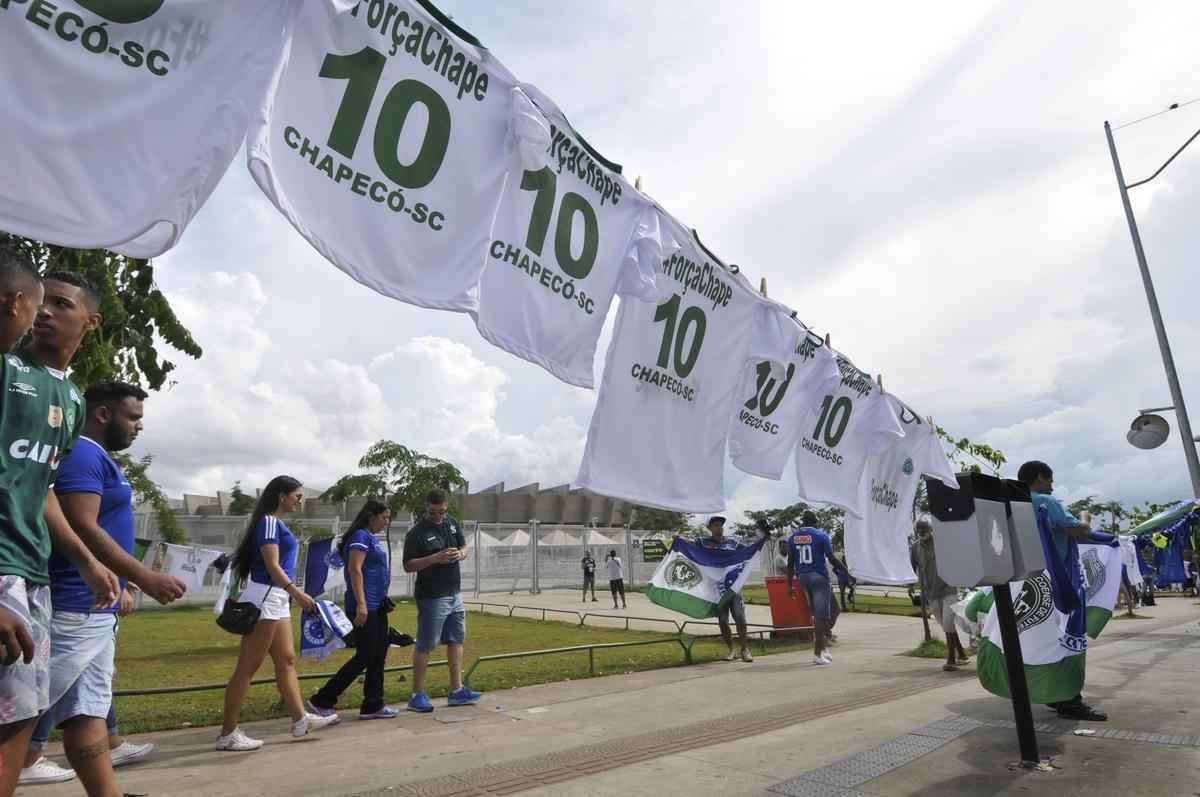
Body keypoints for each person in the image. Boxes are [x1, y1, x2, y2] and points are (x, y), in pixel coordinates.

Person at [19, 381, 186, 793]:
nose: (139, 427)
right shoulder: (80, 454)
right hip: (73, 605)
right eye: (133, 417)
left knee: (86, 713)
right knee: (19, 716)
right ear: (103, 414)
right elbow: (80, 525)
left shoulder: (97, 459)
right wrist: (146, 577)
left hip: (97, 609)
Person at [0, 267, 122, 797]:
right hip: (3, 574)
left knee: (19, 719)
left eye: (61, 303)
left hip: (34, 577)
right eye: (40, 300)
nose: (45, 310)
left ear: (90, 322)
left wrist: (87, 562)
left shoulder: (69, 399)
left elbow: (41, 489)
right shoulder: (7, 370)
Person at [217, 476, 338, 751]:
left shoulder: (276, 523)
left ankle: (299, 720)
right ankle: (227, 734)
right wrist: (297, 592)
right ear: (282, 496)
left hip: (277, 597)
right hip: (267, 597)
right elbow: (272, 565)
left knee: (286, 659)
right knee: (247, 668)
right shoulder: (269, 522)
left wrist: (289, 594)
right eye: (297, 496)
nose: (300, 500)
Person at [1017, 460, 1107, 721]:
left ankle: (1053, 694)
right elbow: (1079, 532)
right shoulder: (1046, 501)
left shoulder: (1014, 505)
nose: (1052, 486)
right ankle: (1069, 700)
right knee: (1067, 639)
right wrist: (1085, 518)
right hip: (1057, 581)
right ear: (1039, 478)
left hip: (1027, 583)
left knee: (1041, 640)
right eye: (1050, 479)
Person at [307, 500, 398, 720]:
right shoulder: (360, 536)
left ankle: (373, 704)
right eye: (384, 517)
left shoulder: (370, 538)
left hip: (378, 605)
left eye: (389, 518)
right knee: (365, 656)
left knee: (378, 655)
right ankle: (322, 699)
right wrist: (361, 604)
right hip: (365, 605)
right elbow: (354, 570)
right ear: (371, 516)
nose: (387, 522)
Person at [402, 489, 480, 713]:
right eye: (433, 512)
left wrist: (461, 554)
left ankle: (457, 690)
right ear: (426, 508)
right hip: (432, 596)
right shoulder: (416, 533)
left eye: (442, 512)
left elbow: (464, 546)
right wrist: (435, 558)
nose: (438, 516)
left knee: (456, 639)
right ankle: (417, 694)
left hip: (454, 593)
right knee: (426, 644)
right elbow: (408, 566)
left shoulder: (452, 523)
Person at [786, 512, 848, 666]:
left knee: (816, 614)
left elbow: (790, 563)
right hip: (819, 576)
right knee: (822, 616)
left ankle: (823, 648)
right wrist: (845, 570)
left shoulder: (793, 538)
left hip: (802, 577)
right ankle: (817, 653)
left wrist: (789, 585)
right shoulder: (821, 536)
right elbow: (831, 558)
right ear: (815, 522)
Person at [912, 520, 970, 672]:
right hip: (931, 592)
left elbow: (958, 559)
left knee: (948, 622)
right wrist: (912, 585)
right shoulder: (915, 547)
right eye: (919, 530)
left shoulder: (943, 543)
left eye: (924, 528)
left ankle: (951, 659)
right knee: (946, 625)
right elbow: (912, 567)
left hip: (948, 588)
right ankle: (962, 654)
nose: (922, 532)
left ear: (931, 528)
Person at [693, 516, 754, 662]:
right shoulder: (704, 542)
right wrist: (678, 538)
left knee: (739, 617)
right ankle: (731, 649)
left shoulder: (733, 542)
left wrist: (761, 540)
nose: (719, 528)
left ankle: (745, 649)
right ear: (710, 528)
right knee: (722, 620)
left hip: (734, 587)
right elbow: (689, 544)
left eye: (721, 525)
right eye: (716, 525)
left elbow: (749, 550)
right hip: (716, 588)